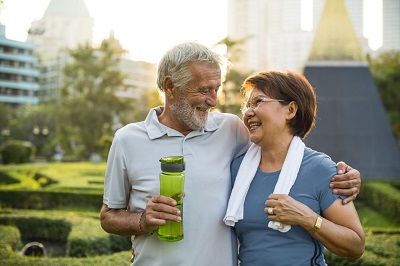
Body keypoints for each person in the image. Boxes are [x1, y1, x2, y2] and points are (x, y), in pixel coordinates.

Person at [100, 42, 361, 266]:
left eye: (217, 89)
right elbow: (109, 216)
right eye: (204, 90)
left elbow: (281, 145)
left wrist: (346, 176)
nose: (213, 100)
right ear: (170, 87)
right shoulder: (127, 140)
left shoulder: (231, 130)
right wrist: (142, 221)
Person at [224, 70, 365, 265]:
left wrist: (307, 218)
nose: (248, 112)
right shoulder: (237, 168)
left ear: (290, 110)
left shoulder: (321, 169)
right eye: (247, 105)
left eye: (258, 102)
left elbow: (356, 246)